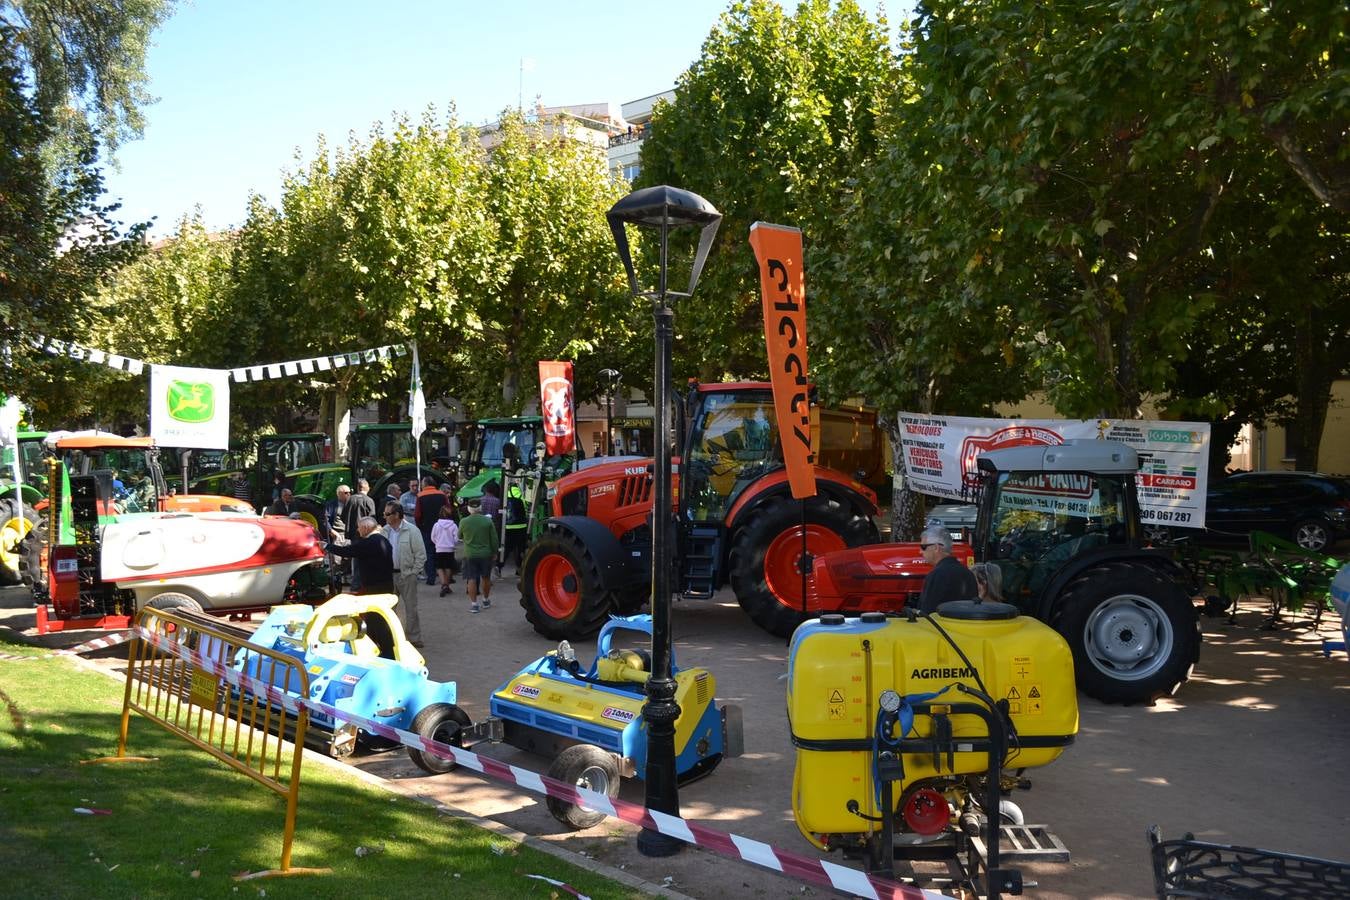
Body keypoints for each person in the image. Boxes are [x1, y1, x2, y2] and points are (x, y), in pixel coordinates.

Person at [384, 502, 427, 647]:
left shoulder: (412, 530)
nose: (385, 516)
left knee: (411, 608)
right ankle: (391, 638)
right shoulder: (384, 531)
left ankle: (414, 638)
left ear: (397, 515)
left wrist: (414, 572)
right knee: (389, 609)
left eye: (388, 514)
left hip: (406, 575)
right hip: (388, 576)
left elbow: (421, 554)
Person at [916, 522, 978, 615]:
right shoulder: (968, 574)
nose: (920, 551)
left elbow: (926, 615)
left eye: (923, 547)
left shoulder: (937, 575)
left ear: (936, 547)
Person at [326, 516, 394, 595]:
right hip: (387, 584)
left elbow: (345, 551)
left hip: (373, 587)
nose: (358, 530)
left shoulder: (367, 543)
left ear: (365, 528)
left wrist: (327, 546)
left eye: (359, 527)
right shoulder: (384, 540)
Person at [459, 497, 499, 614]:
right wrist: (494, 552)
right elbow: (494, 539)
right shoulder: (487, 521)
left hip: (470, 554)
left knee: (471, 579)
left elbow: (459, 536)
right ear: (480, 508)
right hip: (486, 554)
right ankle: (485, 600)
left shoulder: (464, 521)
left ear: (469, 508)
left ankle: (474, 604)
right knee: (486, 577)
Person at [345, 479, 377, 589]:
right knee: (366, 558)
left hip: (354, 534)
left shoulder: (350, 499)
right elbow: (372, 519)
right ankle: (362, 583)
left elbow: (344, 515)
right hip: (366, 534)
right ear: (366, 488)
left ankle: (356, 583)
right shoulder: (369, 500)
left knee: (355, 558)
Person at [414, 476, 446, 585]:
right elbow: (449, 509)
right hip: (442, 527)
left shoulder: (420, 496)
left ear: (425, 484)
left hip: (426, 528)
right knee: (442, 551)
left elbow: (417, 515)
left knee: (429, 552)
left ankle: (431, 577)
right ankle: (445, 576)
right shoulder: (442, 495)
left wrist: (420, 526)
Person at [430, 505, 460, 597]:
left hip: (439, 548)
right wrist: (452, 543)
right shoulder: (454, 525)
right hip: (449, 548)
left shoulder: (436, 525)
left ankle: (443, 584)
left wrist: (437, 543)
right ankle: (446, 584)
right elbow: (456, 538)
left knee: (439, 567)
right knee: (448, 567)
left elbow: (433, 537)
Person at [500, 481, 528, 575]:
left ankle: (499, 566)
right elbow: (525, 508)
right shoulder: (519, 493)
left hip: (508, 525)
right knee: (520, 549)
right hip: (521, 526)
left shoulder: (504, 493)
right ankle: (519, 568)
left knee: (507, 548)